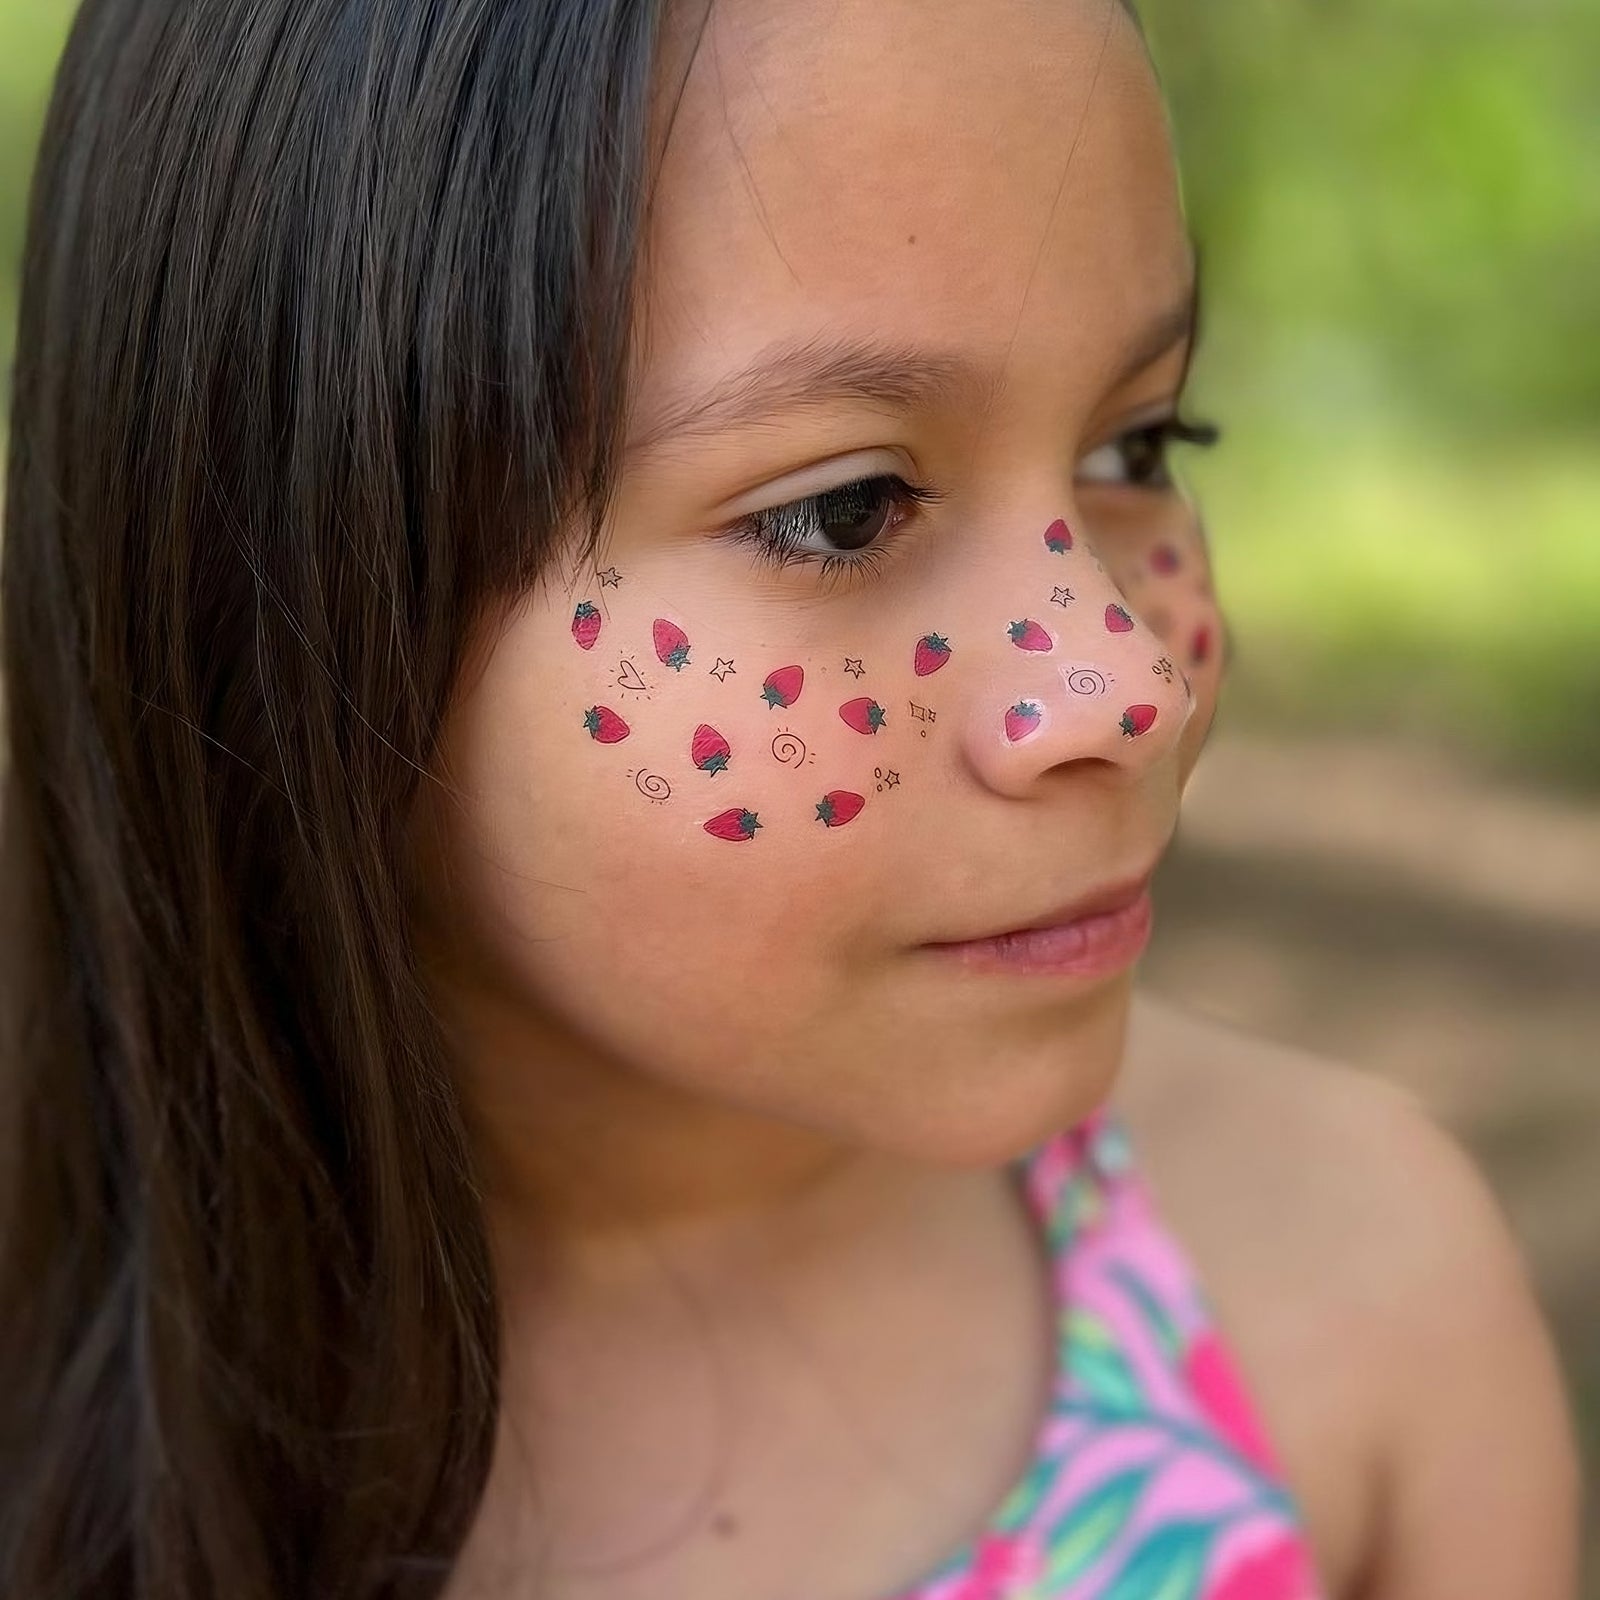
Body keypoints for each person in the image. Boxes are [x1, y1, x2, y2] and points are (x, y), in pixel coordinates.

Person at [0, 0, 1582, 1596]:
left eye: (1137, 443)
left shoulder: (1354, 1297)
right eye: (841, 512)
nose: (1126, 683)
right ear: (281, 578)